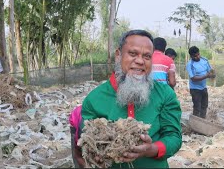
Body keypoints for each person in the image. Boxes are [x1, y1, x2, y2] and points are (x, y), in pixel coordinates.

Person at [74, 30, 182, 168]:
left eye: (147, 56)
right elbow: (87, 140)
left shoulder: (165, 94)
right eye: (133, 54)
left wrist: (151, 149)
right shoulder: (94, 99)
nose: (140, 61)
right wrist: (95, 155)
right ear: (118, 55)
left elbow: (174, 137)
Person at [186, 46, 215, 119]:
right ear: (191, 56)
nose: (197, 57)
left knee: (204, 105)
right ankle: (196, 123)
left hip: (203, 87)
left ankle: (202, 120)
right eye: (195, 56)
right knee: (197, 107)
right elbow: (193, 78)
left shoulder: (204, 60)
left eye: (198, 54)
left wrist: (212, 74)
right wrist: (206, 76)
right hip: (195, 89)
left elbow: (210, 71)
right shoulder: (190, 64)